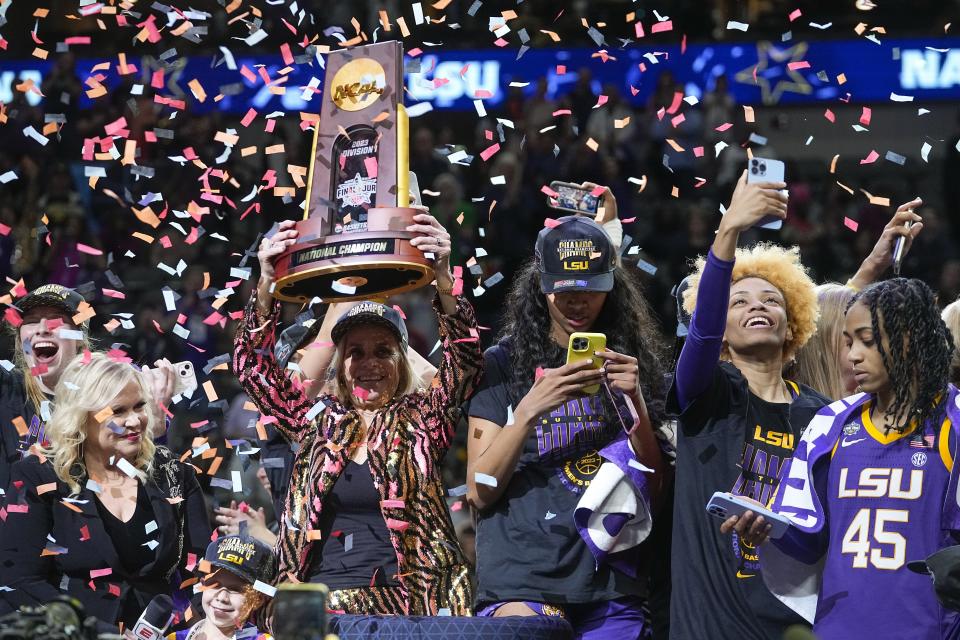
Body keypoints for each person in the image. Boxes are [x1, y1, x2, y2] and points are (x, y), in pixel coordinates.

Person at [234, 211, 482, 617]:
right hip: (321, 606)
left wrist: (444, 278)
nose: (369, 363)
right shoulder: (316, 422)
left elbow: (466, 366)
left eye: (383, 351)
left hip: (412, 609)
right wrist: (266, 283)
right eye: (356, 352)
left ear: (402, 362)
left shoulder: (424, 418)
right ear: (340, 367)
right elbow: (254, 371)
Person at [467, 215, 667, 639]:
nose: (578, 303)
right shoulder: (503, 366)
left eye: (591, 290)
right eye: (564, 291)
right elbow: (479, 488)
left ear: (611, 287)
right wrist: (528, 410)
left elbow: (656, 488)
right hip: (523, 575)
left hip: (611, 576)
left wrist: (636, 405)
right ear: (541, 285)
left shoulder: (633, 365)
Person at [737, 278, 960, 639]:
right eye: (849, 342)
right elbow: (807, 541)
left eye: (867, 341)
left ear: (908, 340)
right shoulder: (831, 424)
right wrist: (766, 527)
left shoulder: (955, 421)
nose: (854, 354)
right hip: (837, 627)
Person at [669, 171, 828, 640]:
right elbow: (700, 334)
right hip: (710, 628)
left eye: (771, 299)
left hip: (793, 626)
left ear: (793, 318)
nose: (757, 306)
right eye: (738, 301)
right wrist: (729, 231)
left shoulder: (824, 416)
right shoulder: (707, 392)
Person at [0, 353, 210, 629]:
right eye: (118, 411)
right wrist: (99, 633)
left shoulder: (174, 475)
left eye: (139, 406)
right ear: (82, 417)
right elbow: (21, 581)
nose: (135, 421)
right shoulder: (38, 476)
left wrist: (192, 631)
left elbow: (201, 573)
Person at [0, 284, 178, 490]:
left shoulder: (112, 398)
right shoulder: (7, 388)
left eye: (56, 320)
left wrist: (153, 430)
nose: (42, 329)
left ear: (79, 338)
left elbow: (145, 489)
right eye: (31, 321)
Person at [791, 200, 924, 400]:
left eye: (871, 338)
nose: (880, 348)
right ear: (819, 349)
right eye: (855, 340)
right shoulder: (794, 415)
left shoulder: (888, 414)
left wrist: (873, 264)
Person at [167, 533, 276, 640]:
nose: (222, 597)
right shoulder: (174, 638)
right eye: (215, 585)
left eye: (235, 589)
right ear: (203, 584)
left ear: (257, 599)